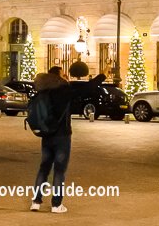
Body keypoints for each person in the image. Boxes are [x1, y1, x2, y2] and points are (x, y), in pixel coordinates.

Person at [30, 67, 106, 213]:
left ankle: (36, 201)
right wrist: (102, 76)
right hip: (62, 136)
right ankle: (56, 204)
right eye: (63, 73)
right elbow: (87, 88)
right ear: (57, 77)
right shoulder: (63, 90)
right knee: (59, 170)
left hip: (46, 135)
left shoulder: (44, 90)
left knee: (44, 168)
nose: (66, 75)